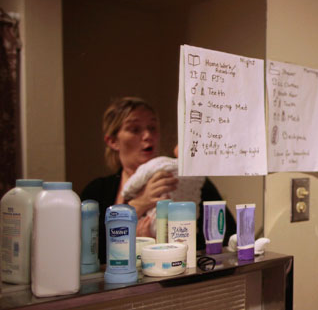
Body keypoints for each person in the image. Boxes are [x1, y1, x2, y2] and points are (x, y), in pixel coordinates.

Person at [81, 96, 235, 264]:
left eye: (152, 128)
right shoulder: (97, 192)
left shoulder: (186, 181)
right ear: (113, 141)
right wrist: (139, 204)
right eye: (134, 129)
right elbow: (89, 252)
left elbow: (225, 235)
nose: (147, 135)